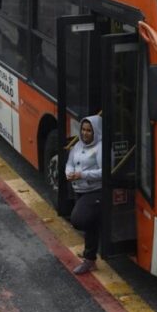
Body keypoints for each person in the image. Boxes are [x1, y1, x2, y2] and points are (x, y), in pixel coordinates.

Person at [65, 116, 103, 275]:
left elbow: (104, 172)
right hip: (79, 189)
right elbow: (69, 163)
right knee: (90, 225)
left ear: (96, 131)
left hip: (94, 191)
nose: (85, 133)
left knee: (79, 220)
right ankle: (90, 258)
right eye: (83, 130)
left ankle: (90, 255)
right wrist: (69, 173)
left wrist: (82, 175)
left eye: (89, 130)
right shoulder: (78, 145)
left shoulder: (101, 147)